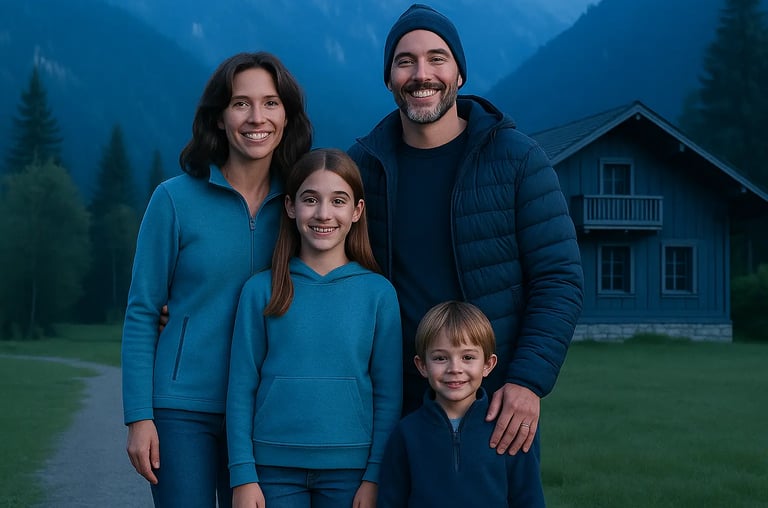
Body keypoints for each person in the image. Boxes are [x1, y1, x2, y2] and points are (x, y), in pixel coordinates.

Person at [347, 2, 584, 466]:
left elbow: (559, 279)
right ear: (389, 79)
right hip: (393, 410)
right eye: (405, 61)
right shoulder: (363, 170)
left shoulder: (517, 160)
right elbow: (312, 258)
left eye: (437, 58)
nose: (422, 74)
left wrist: (527, 381)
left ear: (459, 74)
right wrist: (184, 299)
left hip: (496, 408)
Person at [121, 51, 312, 508]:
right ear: (220, 117)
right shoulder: (173, 200)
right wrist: (138, 417)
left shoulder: (302, 206)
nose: (256, 117)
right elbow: (143, 311)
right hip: (181, 408)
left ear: (287, 116)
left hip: (265, 410)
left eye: (270, 103)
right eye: (240, 104)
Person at [225, 148, 403, 508]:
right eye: (310, 200)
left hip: (351, 473)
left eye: (338, 201)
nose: (324, 214)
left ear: (357, 211)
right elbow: (241, 387)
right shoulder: (261, 290)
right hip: (272, 469)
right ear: (290, 207)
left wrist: (374, 476)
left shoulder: (378, 294)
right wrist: (243, 475)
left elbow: (388, 395)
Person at [377, 301, 545, 508]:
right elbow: (390, 500)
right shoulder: (406, 433)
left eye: (467, 357)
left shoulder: (508, 428)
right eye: (440, 358)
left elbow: (529, 498)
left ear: (487, 365)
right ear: (422, 366)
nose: (454, 368)